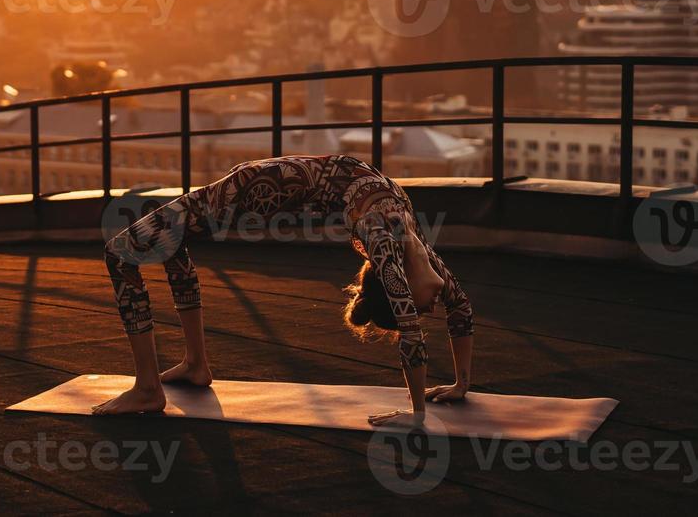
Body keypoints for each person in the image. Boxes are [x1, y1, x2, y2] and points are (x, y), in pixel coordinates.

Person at [96, 154, 474, 426]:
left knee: (157, 244)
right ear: (401, 291)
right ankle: (154, 384)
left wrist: (461, 383)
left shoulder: (415, 245)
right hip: (251, 189)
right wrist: (417, 415)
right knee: (121, 253)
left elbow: (461, 311)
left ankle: (192, 367)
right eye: (417, 307)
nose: (429, 310)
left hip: (261, 185)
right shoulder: (386, 241)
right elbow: (412, 333)